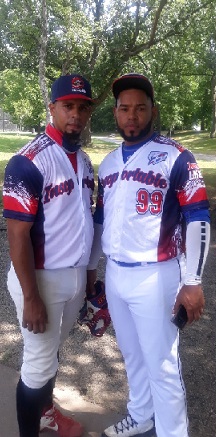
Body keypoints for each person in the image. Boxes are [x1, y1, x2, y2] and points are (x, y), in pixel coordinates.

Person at [95, 73, 211, 437]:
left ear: (153, 111)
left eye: (140, 108)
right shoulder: (109, 163)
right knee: (132, 356)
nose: (132, 116)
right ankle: (141, 415)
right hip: (116, 273)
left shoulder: (177, 156)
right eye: (125, 109)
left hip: (156, 274)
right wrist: (92, 273)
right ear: (115, 113)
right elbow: (101, 222)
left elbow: (198, 218)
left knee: (162, 364)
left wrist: (192, 281)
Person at [4, 74, 96, 437]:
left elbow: (85, 222)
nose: (75, 114)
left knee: (52, 354)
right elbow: (17, 235)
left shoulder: (85, 160)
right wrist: (31, 297)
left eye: (82, 107)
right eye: (68, 106)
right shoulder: (27, 162)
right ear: (52, 107)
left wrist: (90, 281)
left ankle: (45, 415)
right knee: (38, 365)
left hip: (72, 278)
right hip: (39, 280)